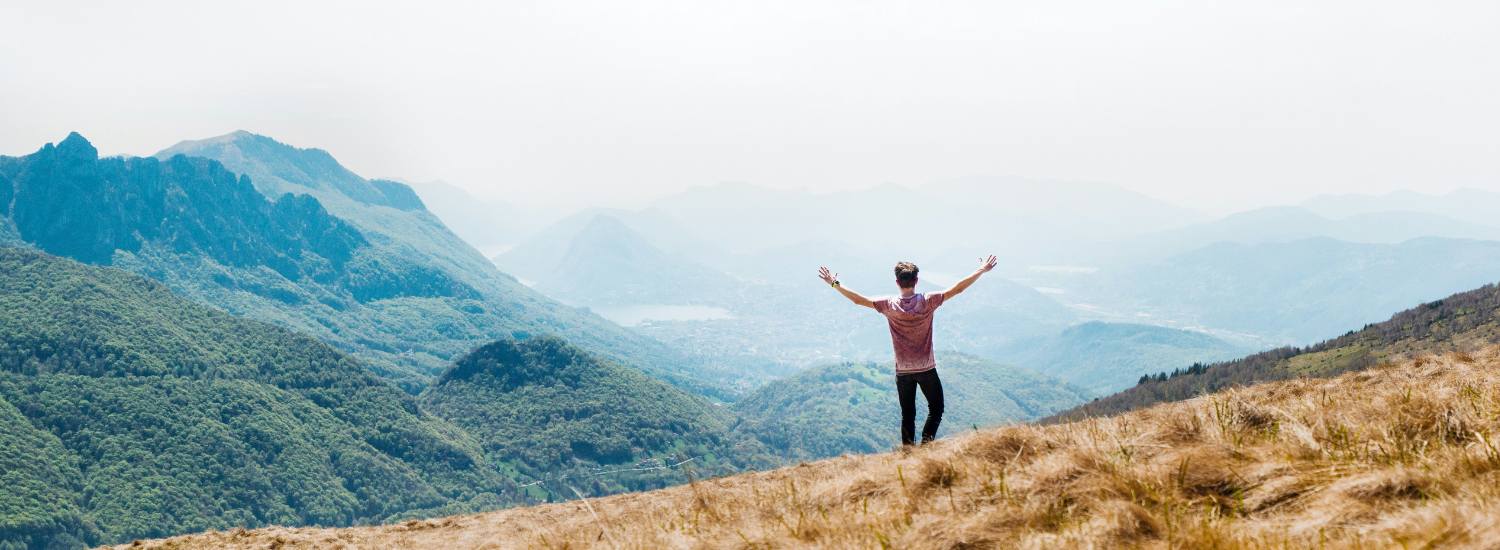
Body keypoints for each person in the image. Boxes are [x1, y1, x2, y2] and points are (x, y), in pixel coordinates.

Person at [817, 255, 998, 446]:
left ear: (897, 282)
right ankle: (927, 445)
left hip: (903, 371)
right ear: (916, 280)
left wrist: (833, 282)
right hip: (926, 368)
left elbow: (858, 300)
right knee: (936, 409)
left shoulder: (888, 305)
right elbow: (958, 289)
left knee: (907, 415)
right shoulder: (928, 301)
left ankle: (908, 453)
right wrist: (982, 270)